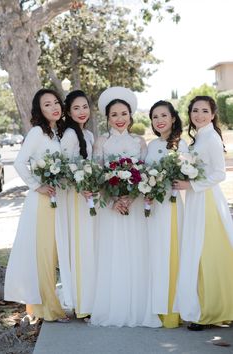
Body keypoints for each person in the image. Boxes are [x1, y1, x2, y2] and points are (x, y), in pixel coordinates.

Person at [91, 86, 162, 327]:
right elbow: (96, 174)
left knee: (136, 252)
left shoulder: (139, 141)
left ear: (131, 116)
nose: (119, 119)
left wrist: (130, 198)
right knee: (114, 253)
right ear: (107, 118)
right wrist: (112, 201)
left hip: (134, 206)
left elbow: (142, 174)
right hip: (111, 209)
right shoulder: (102, 141)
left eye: (124, 114)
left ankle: (139, 305)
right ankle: (114, 305)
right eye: (114, 115)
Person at [4, 88, 70, 322]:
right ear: (39, 110)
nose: (54, 107)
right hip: (42, 201)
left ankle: (44, 303)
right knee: (44, 254)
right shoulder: (37, 133)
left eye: (55, 103)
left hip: (58, 200)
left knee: (53, 254)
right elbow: (21, 162)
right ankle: (49, 309)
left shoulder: (57, 134)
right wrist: (36, 185)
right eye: (47, 104)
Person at [173, 96, 233, 330]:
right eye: (195, 111)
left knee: (207, 252)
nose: (199, 115)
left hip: (207, 199)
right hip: (199, 199)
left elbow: (220, 174)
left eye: (204, 111)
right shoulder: (200, 137)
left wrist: (191, 185)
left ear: (213, 113)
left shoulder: (211, 139)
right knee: (199, 252)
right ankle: (206, 306)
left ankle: (211, 311)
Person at [143, 100, 188, 328]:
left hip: (170, 206)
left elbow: (189, 176)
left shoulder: (182, 146)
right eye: (154, 117)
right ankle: (157, 306)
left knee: (172, 253)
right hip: (153, 208)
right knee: (156, 254)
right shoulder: (151, 147)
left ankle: (173, 310)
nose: (159, 120)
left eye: (163, 115)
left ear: (172, 118)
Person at [60, 90, 95, 318]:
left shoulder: (89, 136)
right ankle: (83, 305)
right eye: (76, 108)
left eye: (84, 107)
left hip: (88, 197)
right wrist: (79, 186)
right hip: (75, 198)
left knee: (89, 248)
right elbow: (63, 166)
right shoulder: (70, 135)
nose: (81, 112)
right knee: (80, 247)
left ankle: (90, 299)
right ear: (69, 112)